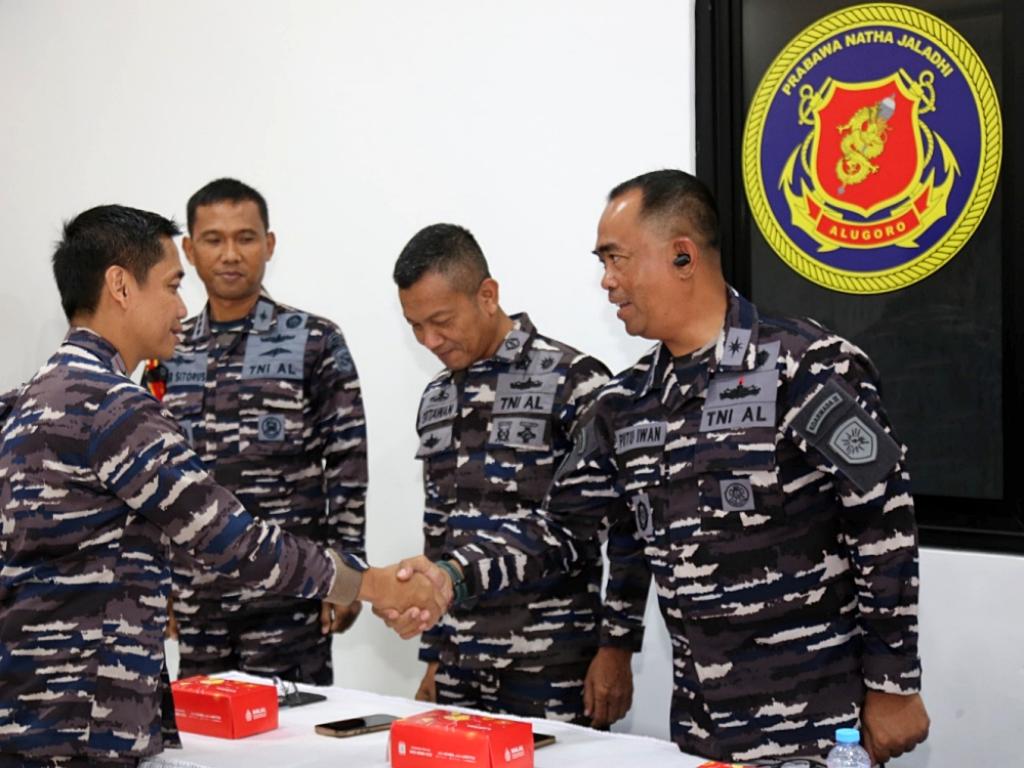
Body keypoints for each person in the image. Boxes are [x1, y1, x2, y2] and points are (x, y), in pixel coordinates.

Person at [397, 171, 929, 763]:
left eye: (617, 259)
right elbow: (561, 529)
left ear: (682, 256)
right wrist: (452, 575)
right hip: (701, 729)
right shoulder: (625, 404)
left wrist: (894, 683)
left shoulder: (804, 366)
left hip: (818, 725)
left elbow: (883, 524)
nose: (607, 280)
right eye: (603, 263)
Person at [0, 205, 445, 767]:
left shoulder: (26, 399)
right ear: (120, 286)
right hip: (84, 722)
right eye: (171, 285)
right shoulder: (113, 408)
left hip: (31, 709)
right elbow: (235, 542)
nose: (182, 307)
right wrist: (373, 584)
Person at [393, 223, 648, 727]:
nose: (429, 340)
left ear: (487, 295)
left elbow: (626, 525)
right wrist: (435, 654)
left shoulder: (574, 380)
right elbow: (438, 529)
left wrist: (617, 647)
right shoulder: (437, 397)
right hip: (461, 662)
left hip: (551, 663)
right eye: (415, 326)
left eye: (440, 321)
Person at [143, 178, 366, 686]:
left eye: (245, 238)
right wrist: (159, 583)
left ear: (269, 244)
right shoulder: (165, 351)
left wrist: (348, 575)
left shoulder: (314, 341)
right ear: (189, 251)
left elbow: (348, 465)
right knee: (202, 732)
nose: (230, 254)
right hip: (198, 600)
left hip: (291, 595)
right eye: (213, 239)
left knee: (294, 731)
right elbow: (151, 476)